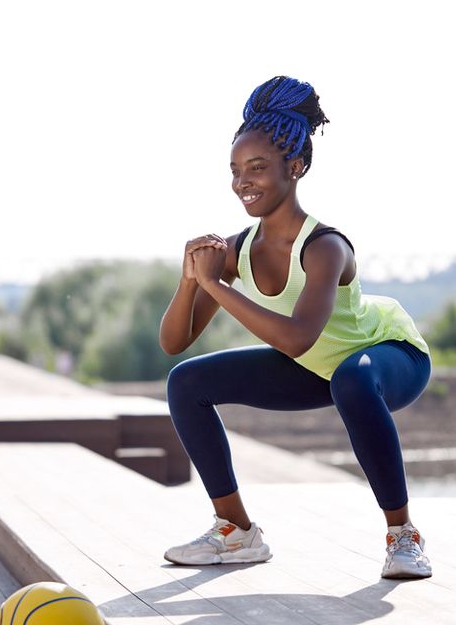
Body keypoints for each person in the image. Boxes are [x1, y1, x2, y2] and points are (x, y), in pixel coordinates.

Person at [158, 76, 432, 579]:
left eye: (257, 168)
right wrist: (189, 280)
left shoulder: (325, 246)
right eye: (236, 170)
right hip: (316, 367)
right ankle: (236, 532)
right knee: (187, 382)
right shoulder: (239, 248)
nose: (243, 181)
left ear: (296, 166)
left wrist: (216, 286)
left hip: (388, 356)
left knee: (352, 377)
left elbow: (297, 337)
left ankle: (403, 536)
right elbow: (174, 343)